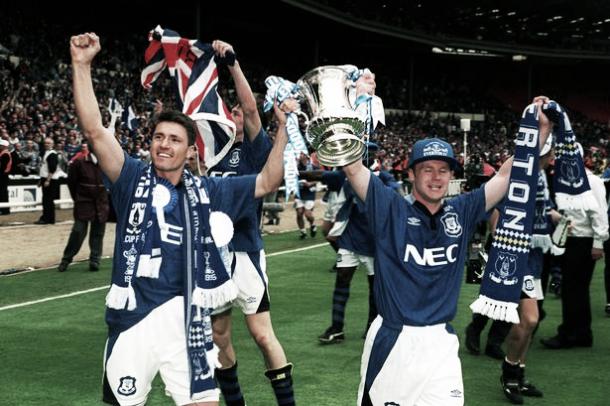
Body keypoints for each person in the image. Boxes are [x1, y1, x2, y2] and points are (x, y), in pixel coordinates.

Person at [71, 32, 287, 406]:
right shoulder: (131, 177)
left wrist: (284, 131)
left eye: (174, 139)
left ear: (190, 150)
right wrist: (81, 65)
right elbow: (94, 130)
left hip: (187, 324)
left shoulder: (212, 190)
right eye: (158, 137)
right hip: (130, 322)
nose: (164, 144)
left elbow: (268, 180)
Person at [342, 73, 552, 405]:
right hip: (394, 339)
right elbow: (353, 168)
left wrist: (538, 132)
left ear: (452, 175)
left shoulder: (463, 209)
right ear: (409, 173)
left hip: (441, 343)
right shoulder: (389, 207)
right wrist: (356, 104)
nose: (436, 176)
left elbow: (510, 173)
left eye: (443, 169)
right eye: (427, 168)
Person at [207, 39, 295, 406]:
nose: (238, 116)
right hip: (213, 259)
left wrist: (232, 64)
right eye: (232, 114)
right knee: (219, 338)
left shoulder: (254, 150)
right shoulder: (213, 151)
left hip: (245, 254)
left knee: (261, 335)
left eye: (240, 114)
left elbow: (251, 107)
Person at [500, 136, 560, 404]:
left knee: (529, 323)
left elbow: (539, 207)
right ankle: (509, 371)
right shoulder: (523, 174)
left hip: (533, 254)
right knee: (529, 319)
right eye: (550, 153)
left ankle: (518, 375)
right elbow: (497, 209)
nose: (554, 158)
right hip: (517, 253)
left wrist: (552, 214)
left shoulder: (541, 178)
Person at [541, 142, 609, 349]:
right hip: (570, 239)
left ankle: (570, 334)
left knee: (574, 289)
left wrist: (598, 243)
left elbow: (600, 215)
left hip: (584, 240)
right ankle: (580, 333)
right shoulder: (568, 181)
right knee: (575, 289)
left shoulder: (592, 181)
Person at [58, 146, 109, 272]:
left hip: (101, 203)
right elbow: (71, 183)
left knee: (98, 233)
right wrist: (78, 198)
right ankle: (66, 259)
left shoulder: (107, 162)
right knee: (78, 232)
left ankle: (95, 260)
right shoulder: (79, 162)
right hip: (84, 203)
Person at [35, 137, 65, 224]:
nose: (46, 144)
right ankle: (49, 218)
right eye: (45, 143)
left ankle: (47, 218)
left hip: (51, 179)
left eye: (48, 143)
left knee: (47, 200)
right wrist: (41, 180)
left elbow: (52, 168)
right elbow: (44, 168)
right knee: (47, 200)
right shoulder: (46, 153)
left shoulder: (52, 154)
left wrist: (47, 180)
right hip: (46, 178)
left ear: (52, 144)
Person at [295, 152, 318, 239]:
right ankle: (303, 232)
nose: (299, 156)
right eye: (299, 154)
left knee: (308, 214)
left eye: (301, 154)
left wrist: (310, 183)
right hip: (299, 193)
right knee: (299, 212)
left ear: (306, 155)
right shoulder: (297, 167)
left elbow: (318, 179)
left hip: (309, 193)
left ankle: (313, 224)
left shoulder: (312, 167)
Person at [0, 138, 12, 215]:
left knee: (3, 193)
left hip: (3, 175)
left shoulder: (5, 154)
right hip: (3, 175)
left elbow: (2, 167)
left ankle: (5, 210)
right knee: (2, 193)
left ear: (4, 146)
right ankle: (4, 210)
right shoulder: (3, 153)